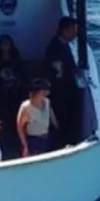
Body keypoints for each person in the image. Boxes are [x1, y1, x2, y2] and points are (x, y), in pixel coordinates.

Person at [45, 15, 81, 145]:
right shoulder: (56, 49)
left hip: (65, 91)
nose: (75, 33)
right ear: (65, 30)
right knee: (63, 121)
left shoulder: (62, 45)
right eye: (73, 29)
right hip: (61, 94)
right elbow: (57, 74)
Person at [16, 78, 58, 158]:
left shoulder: (47, 102)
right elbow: (20, 128)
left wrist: (57, 127)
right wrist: (25, 146)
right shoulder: (26, 107)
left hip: (46, 138)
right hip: (34, 141)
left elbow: (51, 114)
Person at [0, 34, 27, 121]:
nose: (5, 46)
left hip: (15, 89)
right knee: (2, 109)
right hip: (1, 90)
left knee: (15, 108)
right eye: (3, 44)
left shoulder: (16, 57)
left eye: (7, 44)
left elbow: (21, 72)